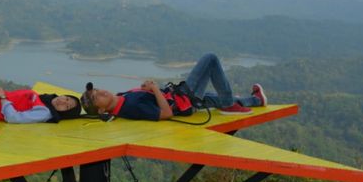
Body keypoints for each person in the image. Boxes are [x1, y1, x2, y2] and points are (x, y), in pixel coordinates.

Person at [80, 53, 267, 121]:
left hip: (179, 97)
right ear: (102, 109)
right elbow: (166, 114)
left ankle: (256, 100)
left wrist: (147, 88)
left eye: (97, 90)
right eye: (98, 97)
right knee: (210, 59)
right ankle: (227, 104)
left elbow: (150, 100)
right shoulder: (130, 108)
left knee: (212, 98)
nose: (102, 91)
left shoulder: (121, 98)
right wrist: (153, 89)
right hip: (184, 100)